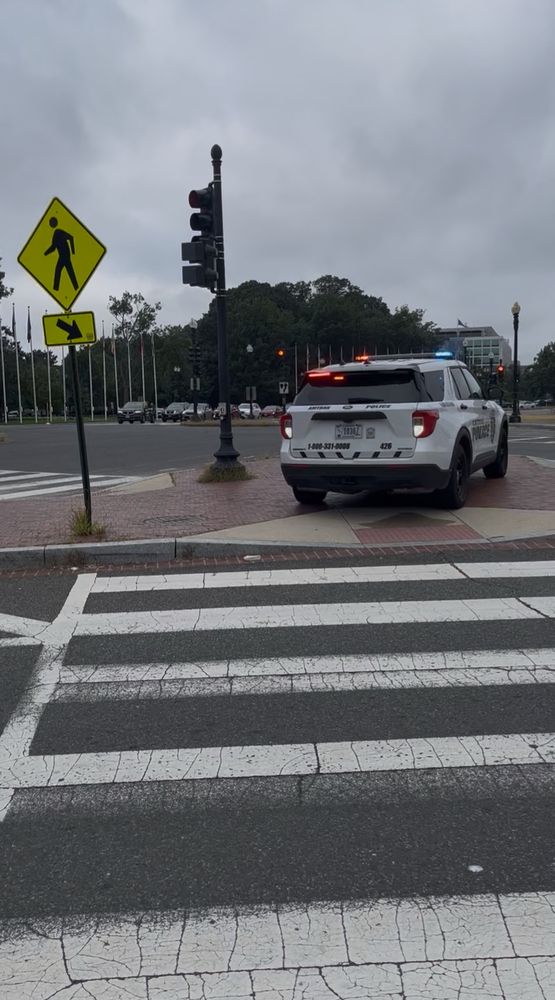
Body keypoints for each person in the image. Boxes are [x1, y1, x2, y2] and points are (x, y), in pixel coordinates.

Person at [44, 217, 78, 291]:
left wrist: (73, 252)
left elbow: (71, 237)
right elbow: (53, 247)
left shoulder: (58, 232)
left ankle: (57, 288)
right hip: (62, 256)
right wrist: (45, 253)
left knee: (62, 271)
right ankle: (74, 287)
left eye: (52, 222)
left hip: (65, 256)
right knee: (63, 271)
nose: (50, 224)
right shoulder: (55, 234)